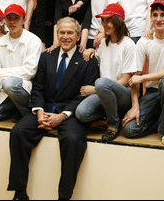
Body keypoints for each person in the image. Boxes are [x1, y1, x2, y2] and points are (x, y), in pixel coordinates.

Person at [7, 17, 99, 200]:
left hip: (71, 113)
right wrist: (39, 111)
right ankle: (19, 192)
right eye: (62, 33)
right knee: (18, 132)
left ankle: (64, 196)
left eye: (70, 33)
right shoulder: (46, 57)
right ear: (57, 35)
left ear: (78, 35)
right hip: (46, 108)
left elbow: (85, 95)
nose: (65, 37)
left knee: (73, 140)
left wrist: (63, 116)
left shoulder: (88, 61)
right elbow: (38, 88)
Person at [122, 0, 164, 146]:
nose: (158, 19)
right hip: (153, 92)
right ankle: (160, 121)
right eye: (155, 15)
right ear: (151, 17)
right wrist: (135, 106)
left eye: (163, 15)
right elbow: (135, 77)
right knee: (129, 129)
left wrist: (144, 77)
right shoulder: (144, 41)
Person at [76, 4, 137, 142]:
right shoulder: (103, 43)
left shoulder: (128, 44)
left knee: (101, 82)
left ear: (118, 22)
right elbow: (97, 58)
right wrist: (91, 50)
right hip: (104, 92)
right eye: (103, 21)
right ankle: (112, 113)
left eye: (108, 20)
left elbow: (126, 80)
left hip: (123, 94)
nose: (104, 24)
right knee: (81, 113)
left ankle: (113, 123)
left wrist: (96, 90)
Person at [0, 4, 42, 123]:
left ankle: (26, 114)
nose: (12, 22)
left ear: (24, 20)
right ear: (4, 20)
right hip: (4, 91)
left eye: (16, 18)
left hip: (25, 90)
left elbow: (30, 71)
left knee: (10, 83)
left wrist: (0, 72)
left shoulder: (33, 41)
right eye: (9, 18)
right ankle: (15, 110)